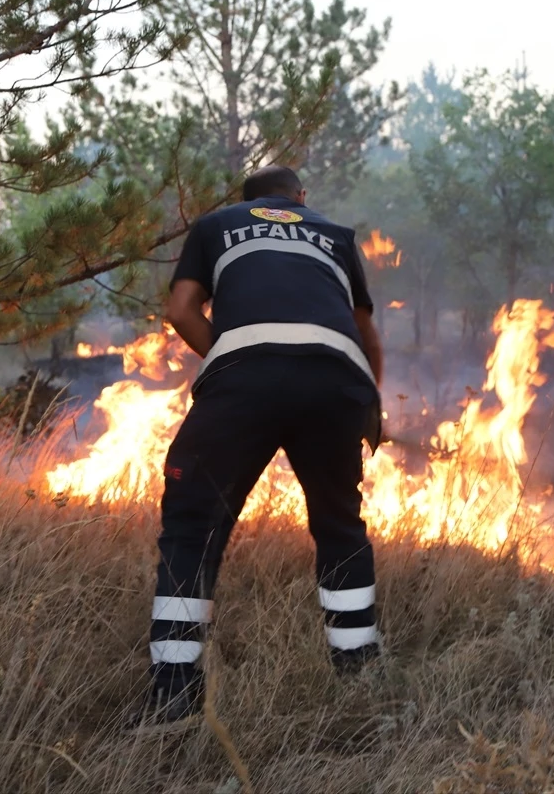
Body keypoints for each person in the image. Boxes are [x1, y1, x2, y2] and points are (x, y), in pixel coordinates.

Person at [125, 165, 386, 733]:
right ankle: (361, 679)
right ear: (301, 198)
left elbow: (179, 312)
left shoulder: (216, 225)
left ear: (246, 201)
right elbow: (366, 335)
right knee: (340, 527)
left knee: (191, 527)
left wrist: (233, 360)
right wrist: (370, 401)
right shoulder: (337, 235)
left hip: (242, 385)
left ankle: (174, 697)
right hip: (336, 380)